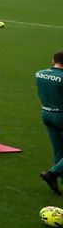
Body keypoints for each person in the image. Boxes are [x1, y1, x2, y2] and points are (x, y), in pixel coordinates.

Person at [40, 51, 63, 194]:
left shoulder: (40, 74)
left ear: (53, 60)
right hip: (61, 115)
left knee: (59, 150)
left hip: (46, 113)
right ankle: (52, 173)